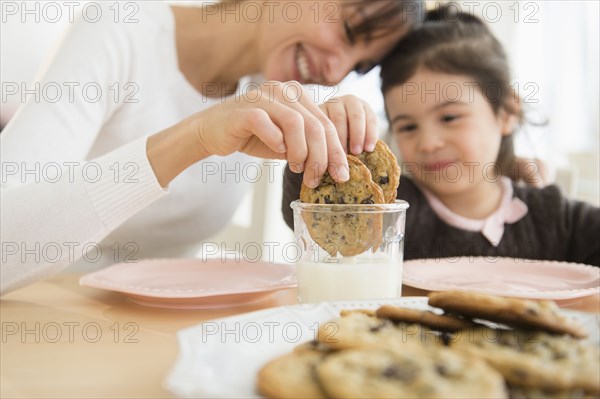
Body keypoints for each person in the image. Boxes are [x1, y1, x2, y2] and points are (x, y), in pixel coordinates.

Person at [0, 0, 424, 294]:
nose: (336, 70)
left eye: (359, 64)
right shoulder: (119, 28)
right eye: (349, 30)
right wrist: (196, 137)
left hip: (161, 334)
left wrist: (339, 153)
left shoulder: (270, 93)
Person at [282, 6, 600, 265]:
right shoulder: (389, 211)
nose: (429, 143)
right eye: (407, 126)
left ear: (506, 113)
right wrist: (320, 142)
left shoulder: (554, 218)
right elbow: (309, 206)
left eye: (449, 117)